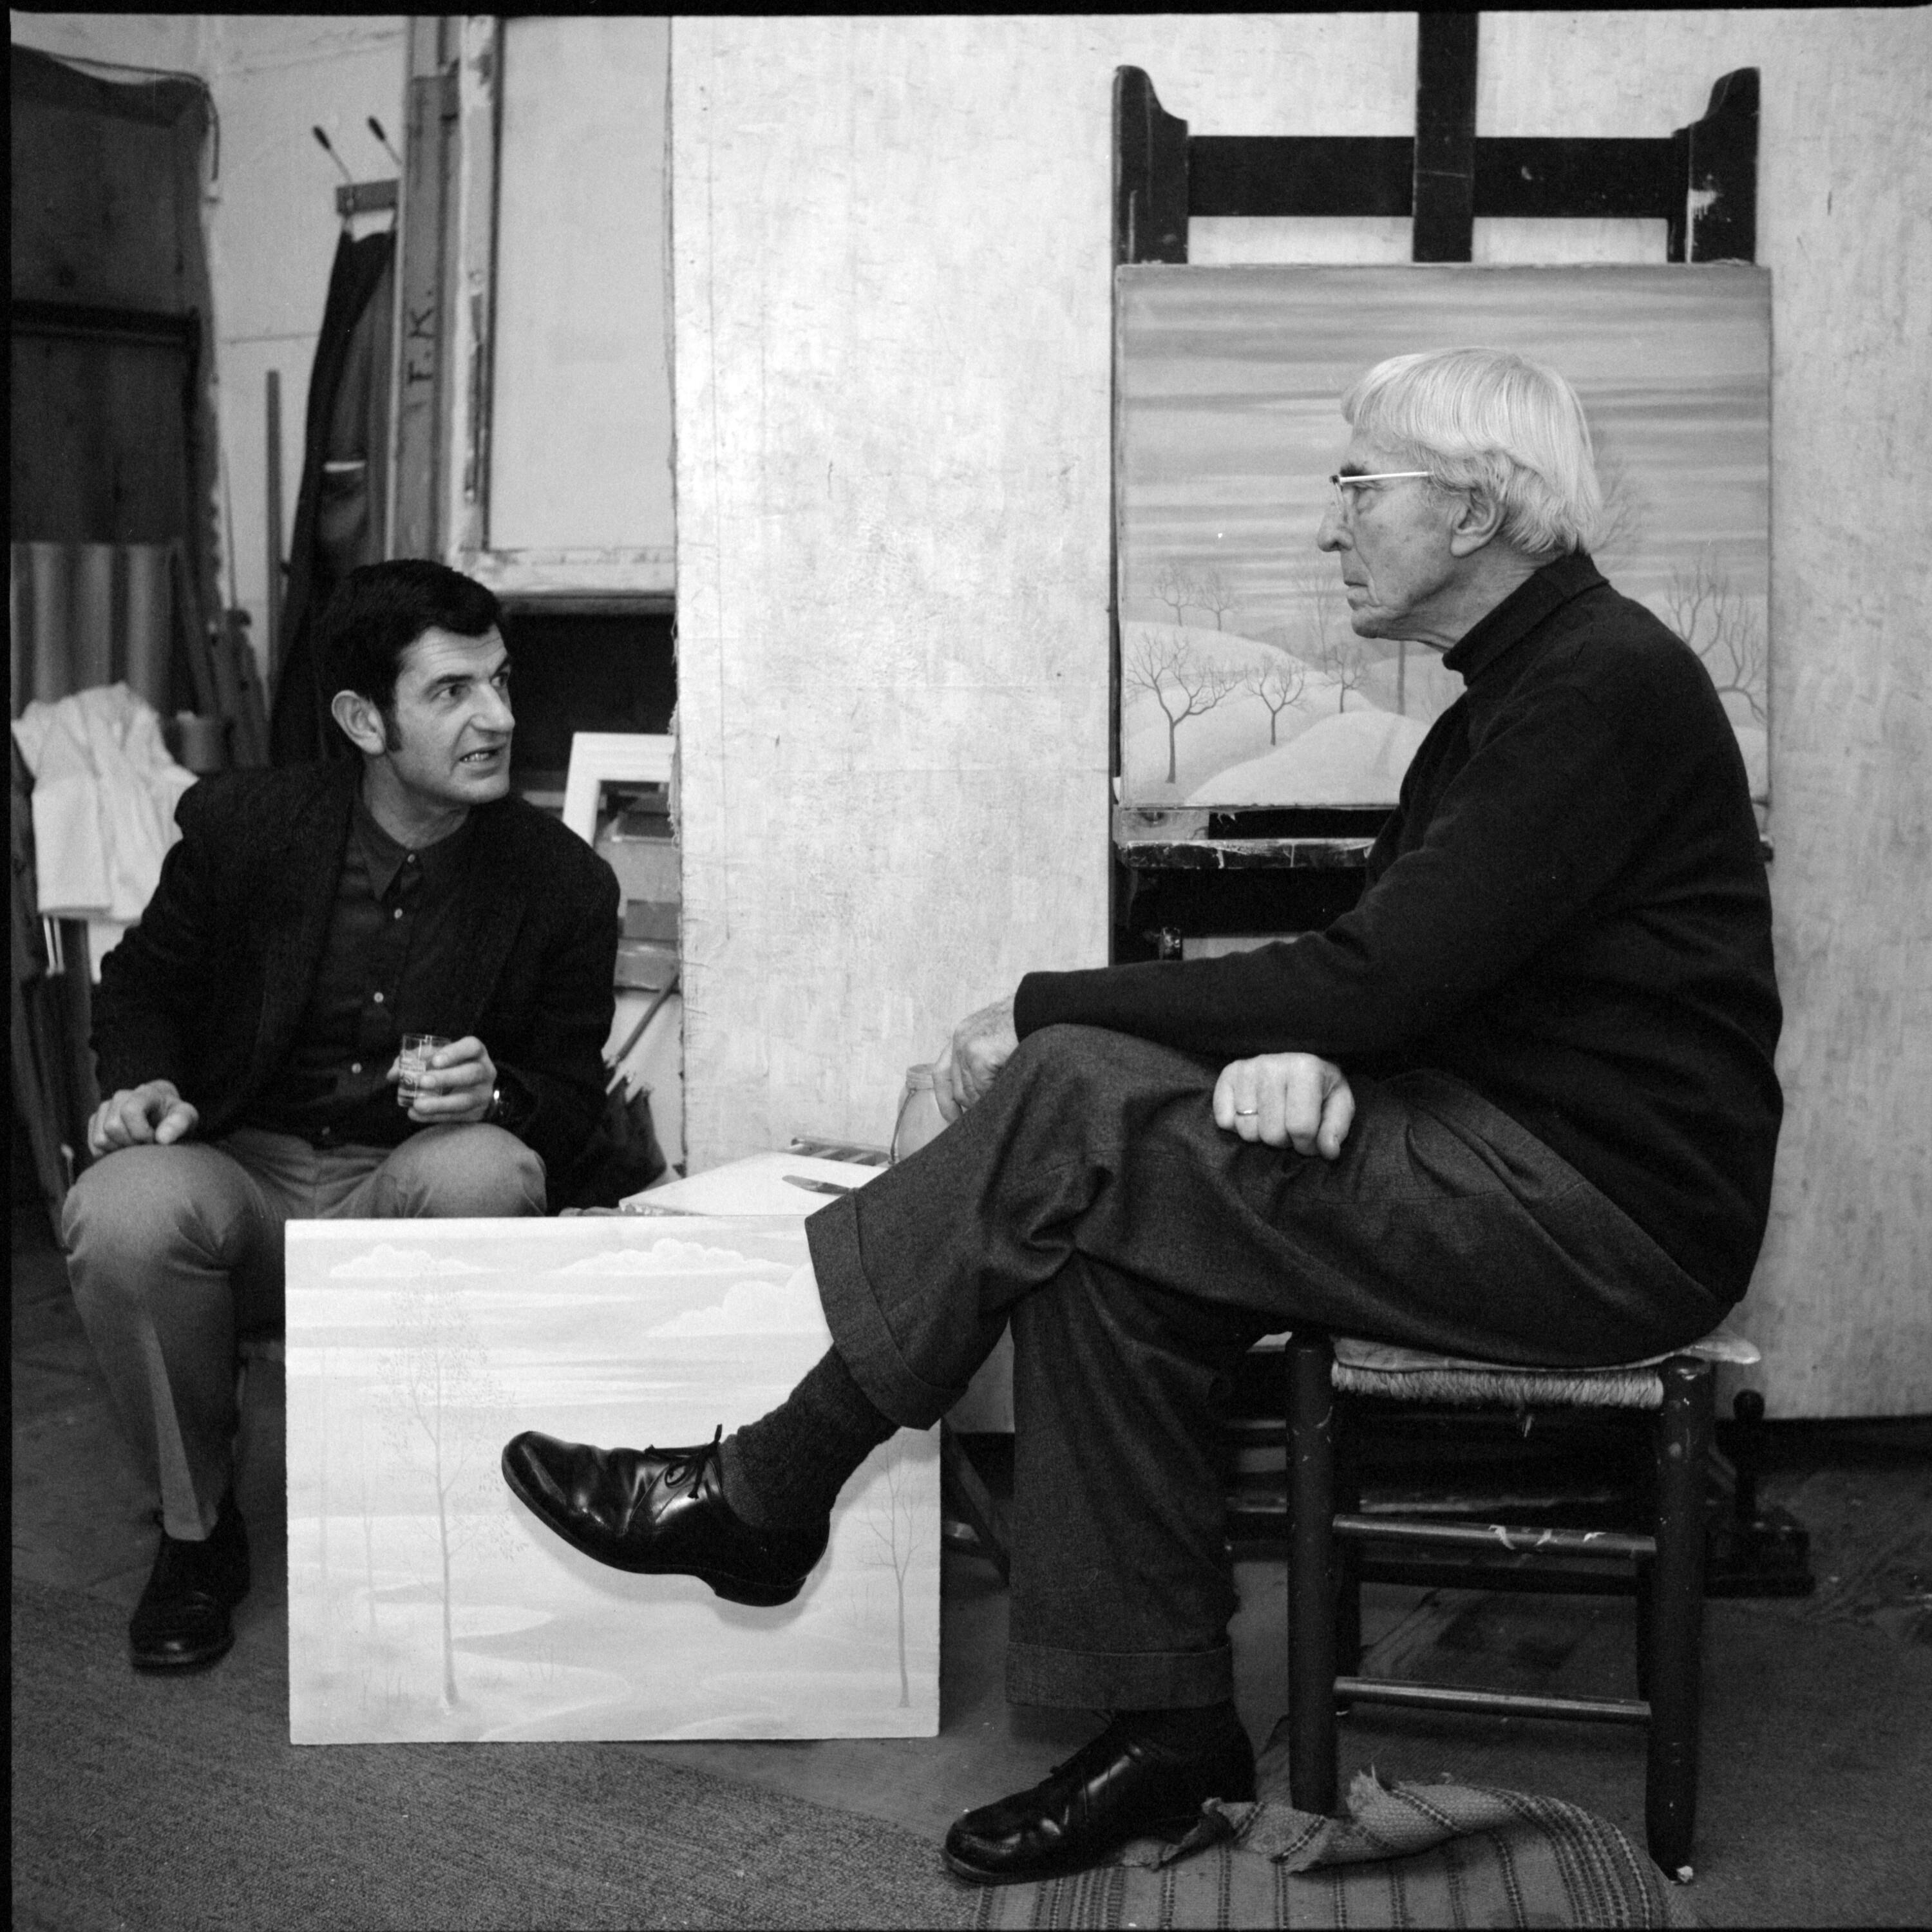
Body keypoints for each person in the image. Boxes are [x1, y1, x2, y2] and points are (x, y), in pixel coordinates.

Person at [502, 348, 1782, 1884]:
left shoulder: (1599, 687)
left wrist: (1045, 1007)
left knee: (1069, 1086)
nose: (1330, 522)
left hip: (1605, 1217)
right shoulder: (1524, 694)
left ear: (1475, 507)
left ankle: (770, 1484)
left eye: (1358, 484)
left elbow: (1378, 981)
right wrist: (1321, 1055)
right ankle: (1169, 1736)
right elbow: (1427, 972)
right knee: (1100, 1252)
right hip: (1508, 1154)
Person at [66, 558, 620, 1674]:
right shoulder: (246, 828)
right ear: (365, 720)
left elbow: (572, 1111)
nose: (497, 718)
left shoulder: (561, 884)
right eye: (452, 692)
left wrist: (499, 1094)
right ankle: (196, 1537)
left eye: (502, 682)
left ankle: (418, 1518)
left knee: (490, 1172)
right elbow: (140, 987)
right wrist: (145, 1082)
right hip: (241, 1174)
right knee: (120, 1210)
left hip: (404, 1184)